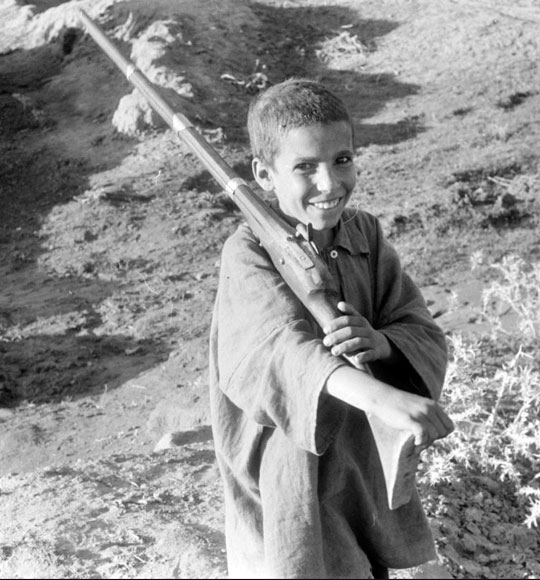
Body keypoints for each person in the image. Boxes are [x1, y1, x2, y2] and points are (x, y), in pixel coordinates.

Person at [208, 79, 454, 579]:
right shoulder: (248, 251)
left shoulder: (364, 233)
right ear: (264, 173)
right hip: (287, 473)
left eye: (342, 160)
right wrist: (380, 397)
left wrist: (384, 344)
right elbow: (279, 352)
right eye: (304, 167)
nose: (329, 183)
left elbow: (419, 328)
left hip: (358, 464)